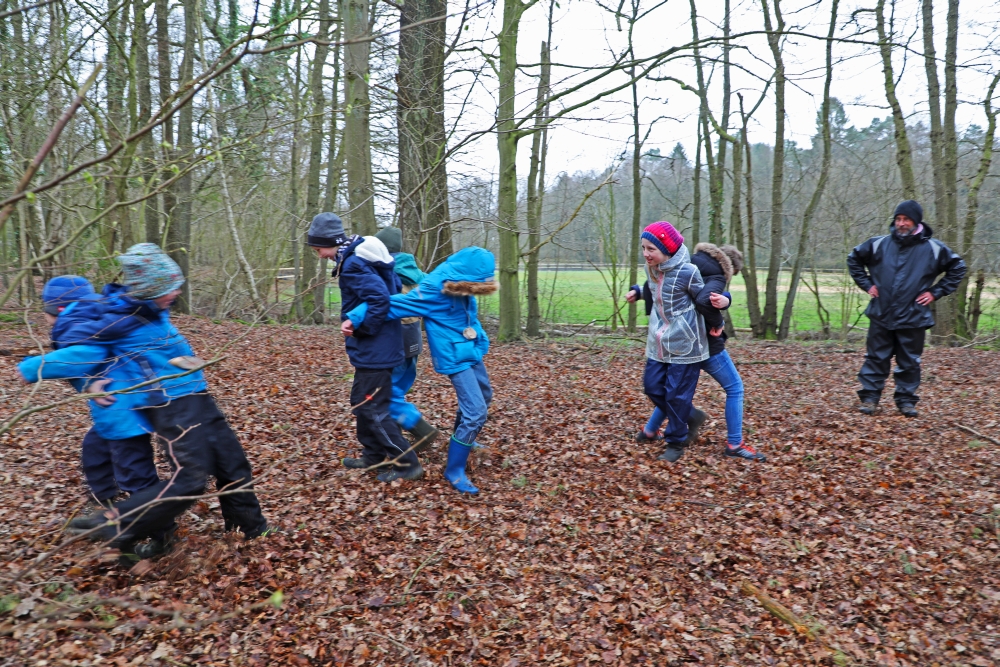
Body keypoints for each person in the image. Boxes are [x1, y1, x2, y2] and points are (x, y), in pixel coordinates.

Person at [19, 244, 273, 559]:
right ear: (149, 291)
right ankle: (116, 524)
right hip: (171, 405)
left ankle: (251, 530)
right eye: (169, 288)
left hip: (197, 396)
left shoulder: (153, 309)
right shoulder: (122, 320)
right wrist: (33, 368)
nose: (177, 292)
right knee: (190, 480)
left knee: (234, 466)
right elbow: (86, 354)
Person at [342, 246, 497, 495]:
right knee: (476, 411)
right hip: (455, 356)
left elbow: (469, 317)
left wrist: (481, 338)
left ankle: (465, 437)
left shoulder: (464, 287)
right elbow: (393, 304)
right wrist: (355, 317)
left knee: (484, 397)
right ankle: (454, 470)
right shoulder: (433, 291)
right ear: (463, 277)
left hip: (471, 349)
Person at [20, 277, 161, 531]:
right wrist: (87, 386)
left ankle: (157, 530)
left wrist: (33, 367)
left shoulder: (77, 323)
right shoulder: (91, 316)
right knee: (95, 449)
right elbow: (94, 364)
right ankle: (104, 504)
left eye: (46, 310)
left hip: (122, 409)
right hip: (123, 404)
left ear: (58, 308)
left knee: (134, 471)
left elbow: (86, 356)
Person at [306, 213, 425, 482]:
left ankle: (407, 464)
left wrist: (360, 327)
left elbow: (381, 300)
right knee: (361, 404)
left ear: (331, 242)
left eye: (319, 249)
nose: (319, 255)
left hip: (376, 349)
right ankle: (374, 457)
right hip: (376, 348)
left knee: (374, 409)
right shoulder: (364, 258)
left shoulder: (354, 264)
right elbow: (390, 289)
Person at [629, 243, 765, 461]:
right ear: (730, 266)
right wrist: (725, 302)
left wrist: (638, 290)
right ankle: (735, 443)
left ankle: (650, 430)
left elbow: (662, 286)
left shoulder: (683, 261)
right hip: (704, 345)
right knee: (735, 387)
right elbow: (708, 297)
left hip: (675, 345)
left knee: (671, 391)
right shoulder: (717, 273)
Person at [847, 200, 966, 417]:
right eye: (898, 219)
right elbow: (853, 259)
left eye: (906, 219)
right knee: (875, 358)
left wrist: (935, 292)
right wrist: (867, 284)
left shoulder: (934, 248)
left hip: (914, 315)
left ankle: (906, 401)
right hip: (881, 312)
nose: (901, 224)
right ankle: (870, 399)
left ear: (916, 221)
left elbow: (958, 268)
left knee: (909, 361)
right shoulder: (878, 244)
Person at [630, 221, 712, 463]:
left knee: (677, 395)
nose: (645, 254)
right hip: (659, 341)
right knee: (652, 386)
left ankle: (676, 441)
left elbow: (705, 298)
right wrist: (638, 291)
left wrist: (719, 316)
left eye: (650, 249)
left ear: (666, 249)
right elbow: (656, 290)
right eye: (643, 248)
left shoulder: (688, 271)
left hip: (685, 344)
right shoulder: (652, 268)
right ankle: (692, 415)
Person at [373, 226, 439, 447]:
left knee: (384, 393)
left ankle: (421, 429)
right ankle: (399, 435)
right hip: (413, 341)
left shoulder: (386, 272)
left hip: (395, 342)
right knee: (397, 391)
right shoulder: (416, 273)